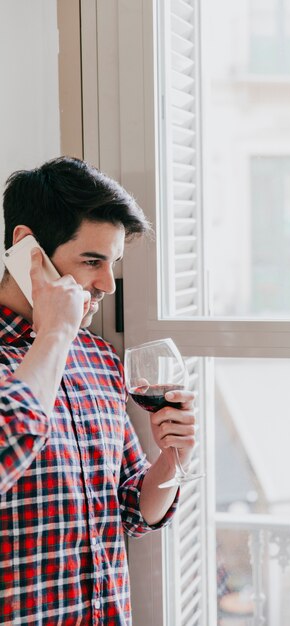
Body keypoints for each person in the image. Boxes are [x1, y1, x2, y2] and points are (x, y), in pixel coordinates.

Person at [0, 157, 196, 624]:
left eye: (114, 264)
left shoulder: (99, 357)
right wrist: (52, 335)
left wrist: (172, 459)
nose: (107, 284)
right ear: (29, 250)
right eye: (92, 261)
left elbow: (132, 508)